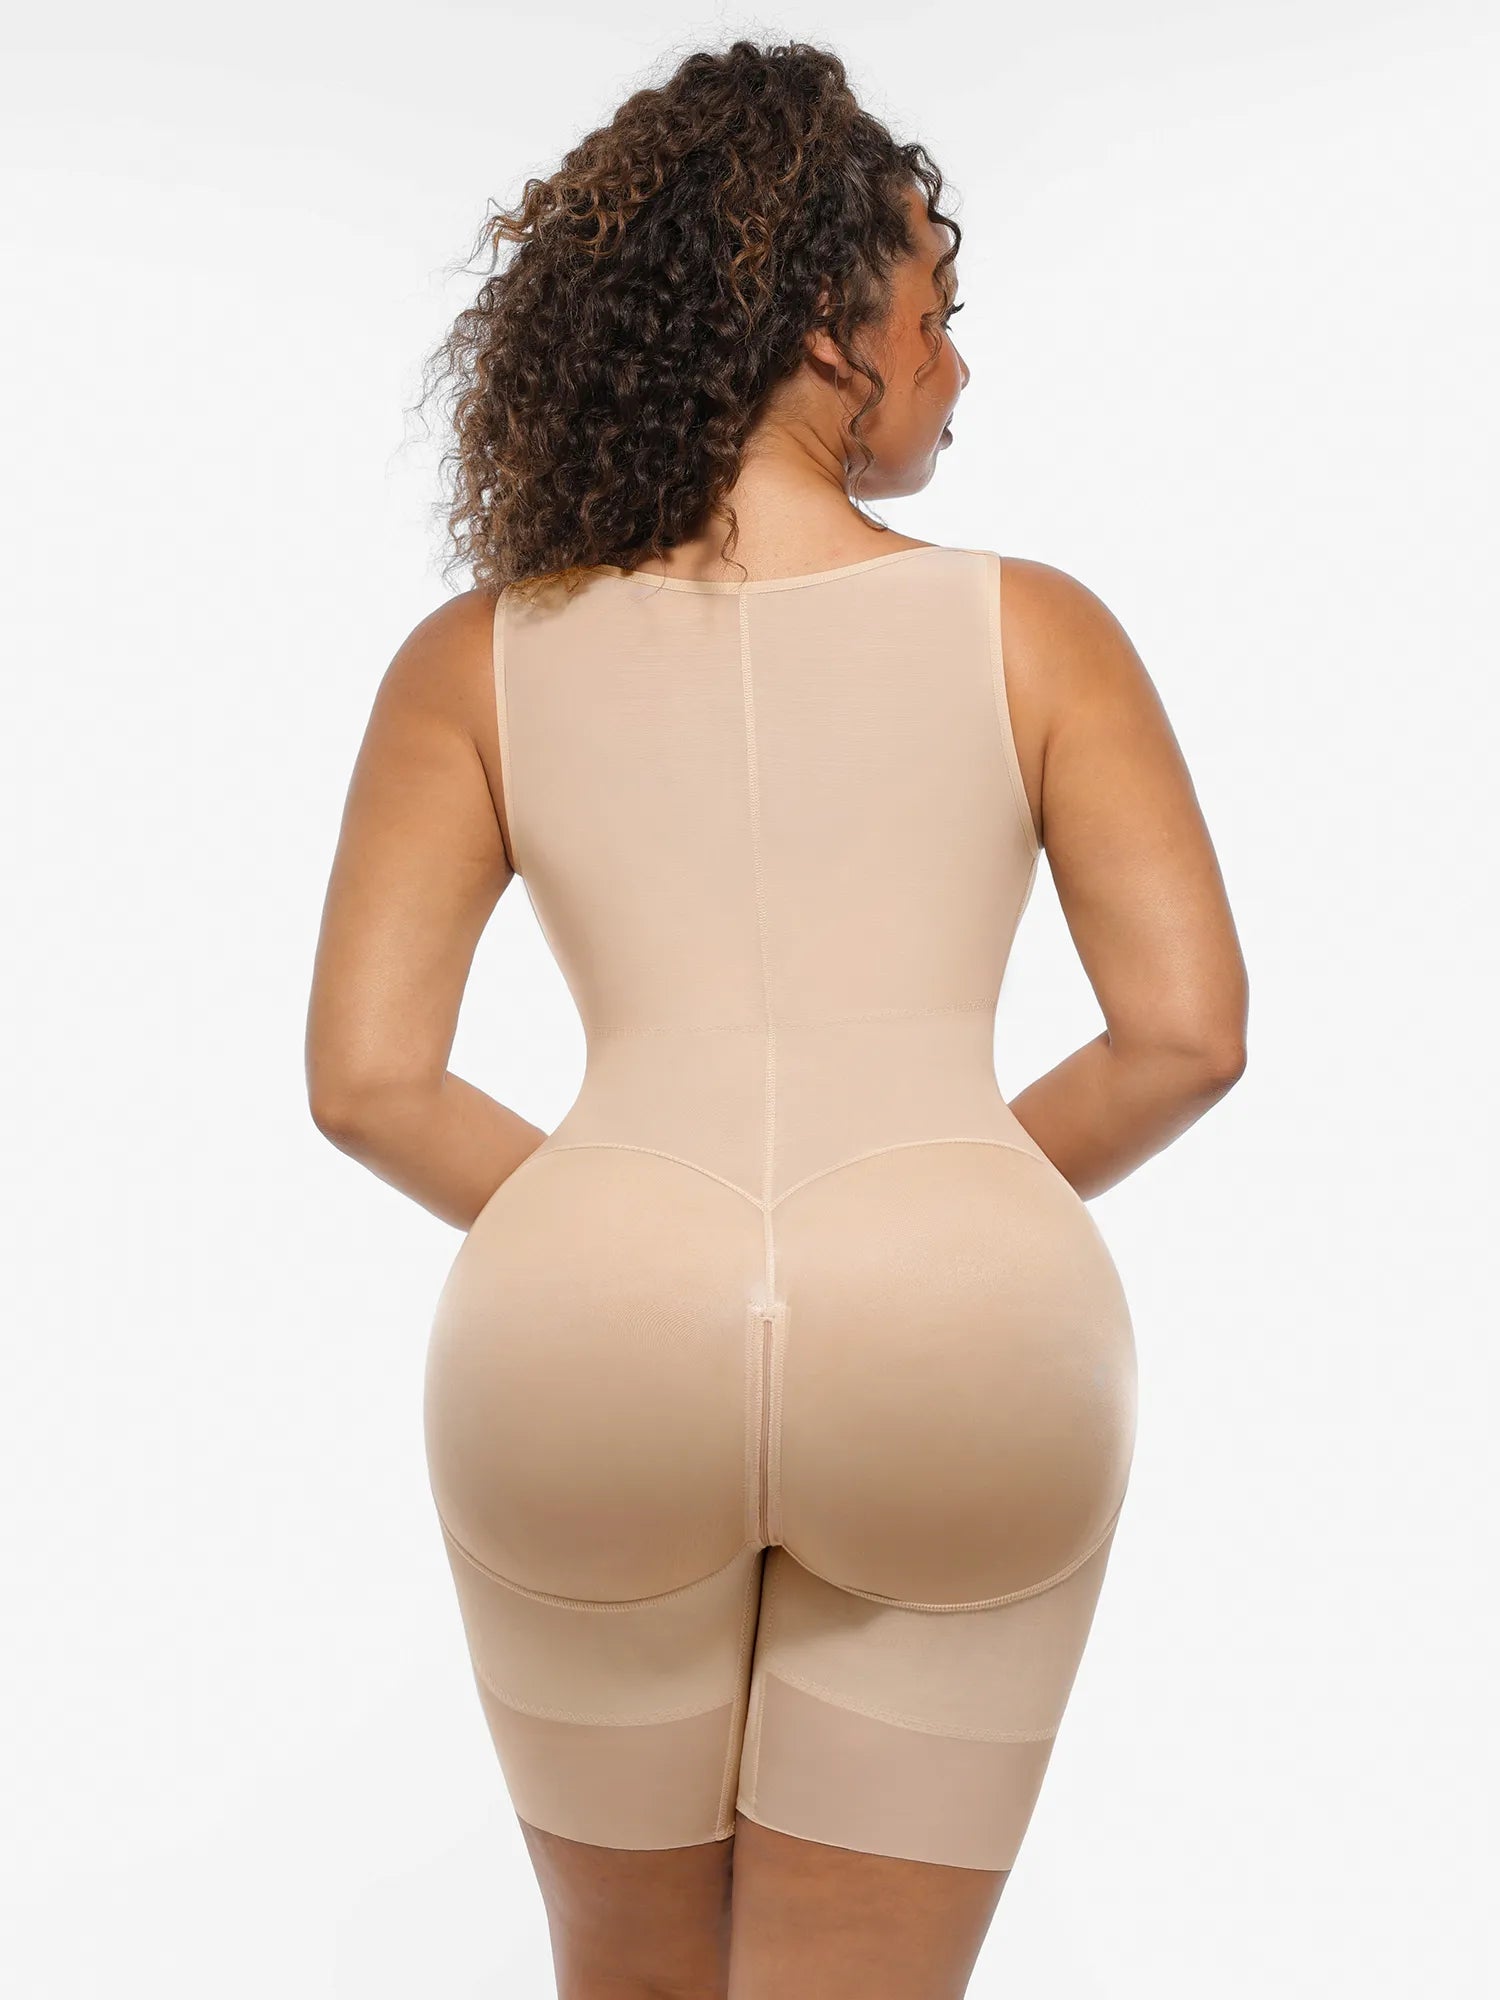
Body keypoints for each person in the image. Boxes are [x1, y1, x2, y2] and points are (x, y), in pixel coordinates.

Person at [306, 37, 1248, 2000]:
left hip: (587, 1337)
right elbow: (1185, 1034)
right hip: (966, 1335)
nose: (955, 367)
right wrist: (936, 1186)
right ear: (826, 327)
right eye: (936, 314)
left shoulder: (474, 661)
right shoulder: (1037, 629)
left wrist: (619, 1216)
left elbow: (371, 1079)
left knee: (631, 1983)